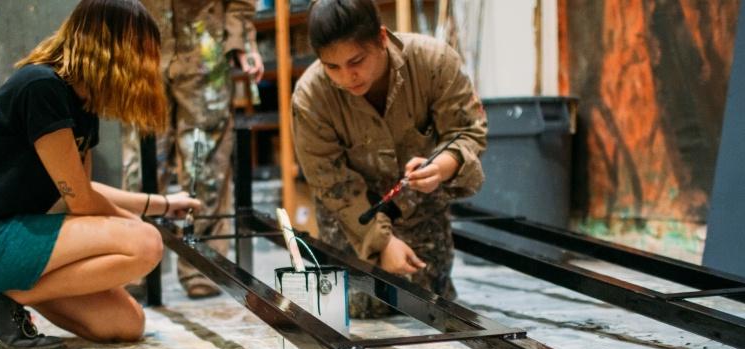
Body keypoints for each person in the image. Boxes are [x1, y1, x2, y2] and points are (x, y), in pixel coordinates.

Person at [0, 0, 201, 349]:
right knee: (145, 244)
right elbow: (81, 202)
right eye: (142, 51)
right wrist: (141, 226)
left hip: (6, 234)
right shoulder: (41, 86)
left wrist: (162, 204)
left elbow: (79, 190)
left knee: (126, 325)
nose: (148, 64)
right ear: (112, 47)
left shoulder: (82, 103)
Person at [292, 0, 487, 317]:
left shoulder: (433, 62)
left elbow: (468, 131)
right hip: (353, 214)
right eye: (332, 67)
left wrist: (441, 166)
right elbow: (330, 181)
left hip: (419, 203)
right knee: (360, 307)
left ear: (382, 38)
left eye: (356, 61)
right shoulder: (311, 96)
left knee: (427, 306)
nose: (347, 77)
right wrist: (380, 242)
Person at [129, 0, 263, 298]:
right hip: (142, 43)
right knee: (141, 163)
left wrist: (241, 38)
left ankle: (201, 262)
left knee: (204, 165)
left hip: (204, 44)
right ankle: (135, 262)